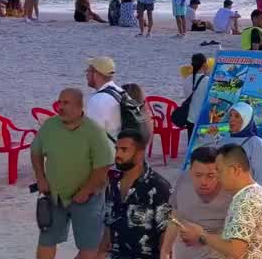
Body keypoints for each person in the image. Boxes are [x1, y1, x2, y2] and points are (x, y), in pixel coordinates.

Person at [31, 88, 115, 259]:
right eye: (59, 102)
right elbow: (35, 152)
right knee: (46, 241)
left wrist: (86, 191)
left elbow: (103, 167)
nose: (60, 107)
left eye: (66, 103)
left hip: (88, 198)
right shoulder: (49, 126)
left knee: (89, 247)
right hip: (54, 196)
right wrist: (40, 177)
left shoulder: (94, 131)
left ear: (79, 106)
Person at [175, 144, 262, 259]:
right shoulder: (256, 190)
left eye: (219, 171)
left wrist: (201, 235)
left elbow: (235, 251)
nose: (217, 177)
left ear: (235, 170)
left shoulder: (245, 201)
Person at [98, 128, 171, 259]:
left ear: (140, 154)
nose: (117, 155)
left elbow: (166, 235)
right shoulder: (113, 181)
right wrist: (101, 253)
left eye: (124, 150)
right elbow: (109, 223)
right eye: (117, 149)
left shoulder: (159, 187)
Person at [161, 145, 230, 259]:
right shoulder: (183, 181)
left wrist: (202, 238)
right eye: (198, 175)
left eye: (210, 176)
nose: (203, 182)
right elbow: (175, 217)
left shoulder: (231, 191)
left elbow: (238, 240)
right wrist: (165, 251)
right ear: (190, 170)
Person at [222, 103, 262, 188]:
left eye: (236, 116)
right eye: (230, 116)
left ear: (246, 119)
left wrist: (258, 197)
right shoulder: (224, 140)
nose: (231, 119)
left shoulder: (256, 143)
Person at [85, 56, 126, 140]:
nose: (86, 74)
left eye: (88, 71)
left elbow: (93, 136)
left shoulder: (97, 100)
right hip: (121, 147)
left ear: (95, 74)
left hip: (107, 149)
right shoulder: (121, 92)